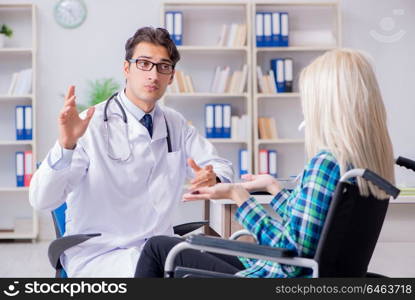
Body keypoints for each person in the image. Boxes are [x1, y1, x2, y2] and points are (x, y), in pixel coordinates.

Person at [135, 48, 396, 278]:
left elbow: (291, 256)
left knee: (159, 248)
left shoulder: (325, 163)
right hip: (296, 273)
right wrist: (273, 188)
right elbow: (311, 232)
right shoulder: (360, 164)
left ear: (326, 103)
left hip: (277, 277)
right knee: (199, 243)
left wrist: (239, 197)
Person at [29, 27, 233, 277]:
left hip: (156, 249)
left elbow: (220, 165)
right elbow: (42, 199)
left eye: (163, 66)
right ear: (127, 69)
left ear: (171, 76)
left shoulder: (174, 124)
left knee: (230, 264)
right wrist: (66, 145)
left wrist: (215, 178)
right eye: (144, 64)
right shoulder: (90, 124)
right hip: (101, 255)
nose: (153, 75)